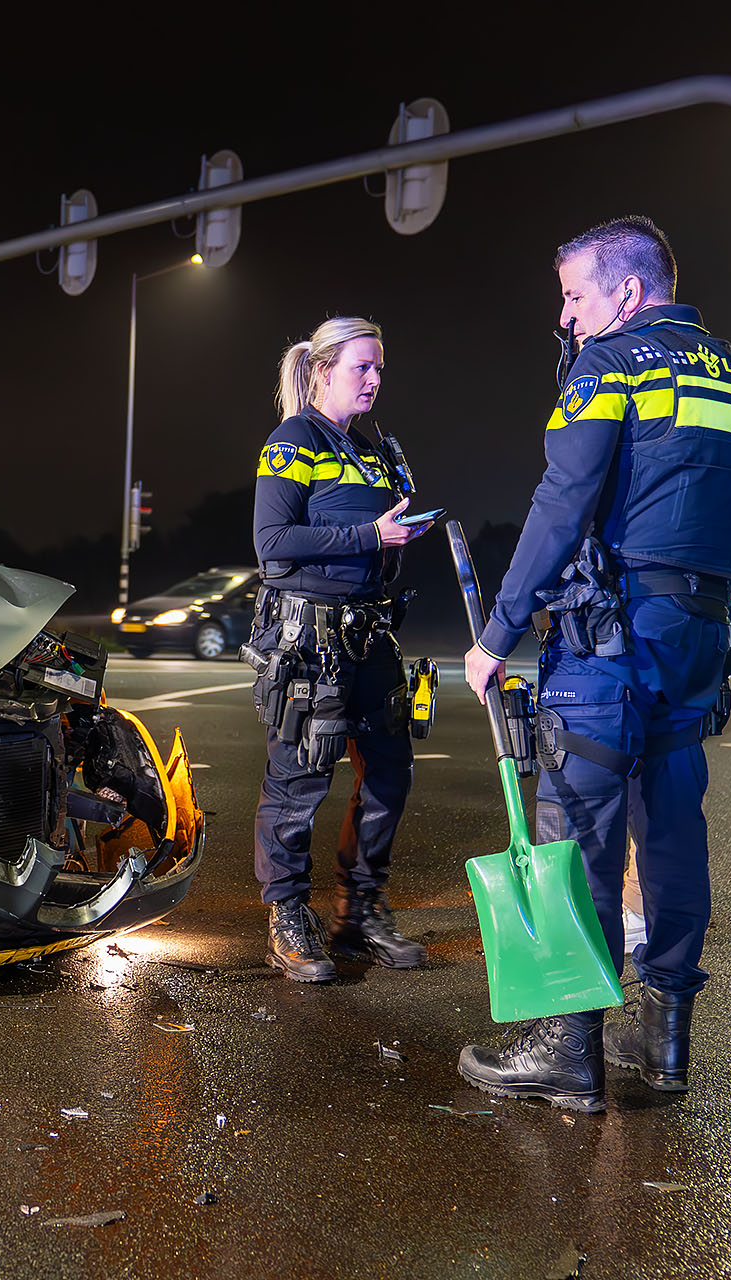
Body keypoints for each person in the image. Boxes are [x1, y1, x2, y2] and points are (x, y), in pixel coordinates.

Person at [456, 216, 731, 1111]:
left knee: (579, 834)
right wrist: (708, 614)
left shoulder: (609, 367)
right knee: (671, 830)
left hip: (609, 642)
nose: (566, 316)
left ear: (627, 292)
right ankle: (665, 1043)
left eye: (574, 295)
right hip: (697, 636)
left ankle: (568, 1047)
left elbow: (563, 503)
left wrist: (497, 634)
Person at [247, 317, 433, 982]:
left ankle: (359, 913)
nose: (375, 378)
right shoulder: (294, 440)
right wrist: (368, 536)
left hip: (370, 633)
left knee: (390, 772)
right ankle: (287, 917)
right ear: (324, 371)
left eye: (380, 367)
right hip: (308, 640)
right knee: (299, 781)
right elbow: (271, 542)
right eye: (362, 366)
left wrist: (395, 536)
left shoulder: (370, 449)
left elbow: (374, 533)